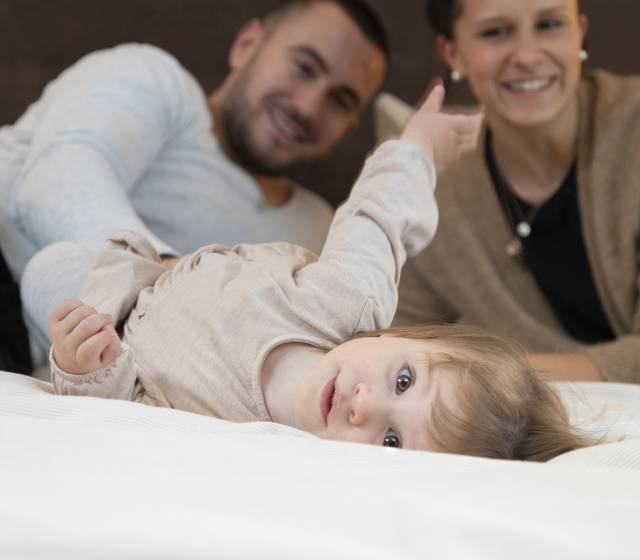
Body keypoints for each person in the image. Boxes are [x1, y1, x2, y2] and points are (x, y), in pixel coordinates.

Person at [46, 87, 590, 460]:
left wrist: (90, 369)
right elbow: (379, 215)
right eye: (403, 380)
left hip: (111, 317)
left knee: (50, 273)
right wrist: (419, 147)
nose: (366, 404)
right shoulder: (346, 301)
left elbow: (133, 416)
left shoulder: (256, 446)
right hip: (161, 262)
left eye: (391, 442)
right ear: (407, 336)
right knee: (66, 225)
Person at [0, 0, 390, 366]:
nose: (307, 106)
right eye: (303, 67)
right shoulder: (156, 79)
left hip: (51, 351)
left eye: (339, 101)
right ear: (247, 45)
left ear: (349, 128)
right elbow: (52, 184)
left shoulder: (321, 233)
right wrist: (171, 277)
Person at [395, 0, 640, 383]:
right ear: (453, 53)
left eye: (549, 24)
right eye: (495, 32)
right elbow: (386, 344)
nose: (527, 56)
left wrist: (496, 374)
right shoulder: (439, 206)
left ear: (580, 31)